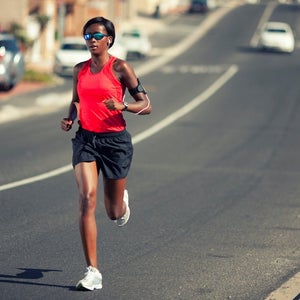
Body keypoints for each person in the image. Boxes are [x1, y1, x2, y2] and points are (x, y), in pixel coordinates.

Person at [61, 16, 152, 291]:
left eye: (97, 36)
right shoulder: (80, 70)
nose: (92, 41)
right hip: (86, 140)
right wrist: (69, 118)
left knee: (112, 213)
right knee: (86, 198)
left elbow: (146, 104)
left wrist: (122, 106)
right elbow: (76, 98)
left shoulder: (121, 67)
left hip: (115, 143)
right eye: (87, 36)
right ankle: (93, 271)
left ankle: (121, 203)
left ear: (109, 39)